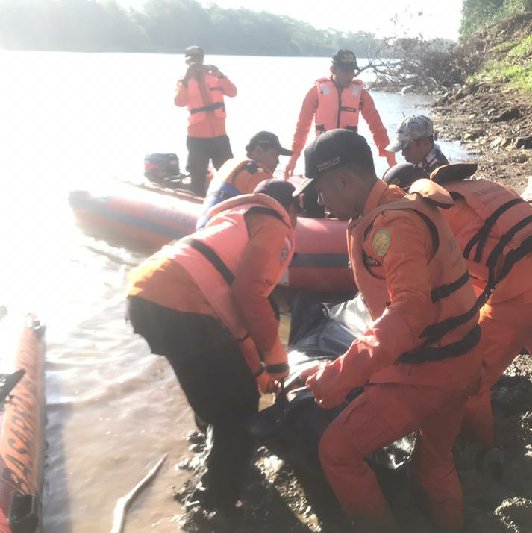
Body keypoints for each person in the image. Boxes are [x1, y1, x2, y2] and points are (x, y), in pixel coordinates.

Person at [297, 129, 482, 531]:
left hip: (430, 372)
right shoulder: (399, 206)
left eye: (323, 192)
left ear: (344, 180)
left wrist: (339, 376)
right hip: (462, 361)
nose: (321, 203)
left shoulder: (391, 227)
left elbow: (409, 314)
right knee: (435, 462)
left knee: (337, 451)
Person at [385, 162, 532, 450]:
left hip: (528, 289)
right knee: (530, 327)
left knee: (470, 377)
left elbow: (446, 293)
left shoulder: (427, 212)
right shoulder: (473, 188)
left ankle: (481, 444)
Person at [126, 180, 300, 512]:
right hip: (183, 302)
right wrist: (277, 362)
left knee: (215, 392)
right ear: (290, 209)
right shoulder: (276, 223)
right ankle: (216, 503)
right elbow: (250, 296)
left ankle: (211, 450)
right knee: (239, 406)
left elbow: (233, 322)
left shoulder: (231, 218)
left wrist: (258, 369)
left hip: (147, 291)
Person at [284, 49, 396, 177]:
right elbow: (302, 127)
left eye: (352, 71)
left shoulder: (361, 95)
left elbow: (376, 126)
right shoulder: (316, 92)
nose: (349, 75)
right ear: (333, 69)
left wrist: (388, 155)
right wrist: (294, 157)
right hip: (323, 150)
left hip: (349, 150)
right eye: (345, 71)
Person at [174, 45, 238, 196]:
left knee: (229, 175)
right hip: (197, 137)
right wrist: (187, 79)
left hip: (219, 135)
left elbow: (233, 92)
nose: (195, 63)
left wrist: (220, 75)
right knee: (197, 177)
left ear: (202, 59)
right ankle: (197, 202)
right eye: (191, 60)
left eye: (198, 59)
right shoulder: (184, 81)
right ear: (187, 62)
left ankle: (229, 202)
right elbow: (178, 102)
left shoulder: (215, 76)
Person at [197, 131, 293, 228]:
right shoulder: (257, 173)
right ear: (258, 151)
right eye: (274, 155)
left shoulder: (230, 165)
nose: (277, 161)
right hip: (223, 230)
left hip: (205, 226)